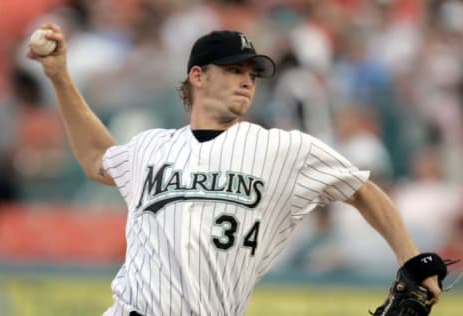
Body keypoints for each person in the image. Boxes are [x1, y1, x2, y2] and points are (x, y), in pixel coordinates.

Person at [28, 23, 442, 316]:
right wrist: (60, 76)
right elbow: (97, 157)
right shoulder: (151, 146)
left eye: (251, 73)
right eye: (233, 70)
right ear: (198, 76)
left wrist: (412, 260)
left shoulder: (282, 148)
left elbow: (362, 190)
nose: (247, 80)